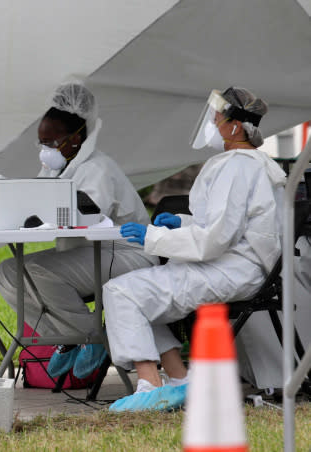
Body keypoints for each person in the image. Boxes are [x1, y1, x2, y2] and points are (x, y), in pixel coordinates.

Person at [106, 86, 284, 411]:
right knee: (142, 293)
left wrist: (152, 237)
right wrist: (182, 224)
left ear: (234, 127)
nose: (211, 125)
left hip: (229, 271)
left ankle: (150, 387)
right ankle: (178, 379)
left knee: (121, 292)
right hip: (236, 266)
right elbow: (224, 228)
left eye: (216, 119)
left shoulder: (237, 167)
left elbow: (215, 239)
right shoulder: (248, 164)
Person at [0, 83, 158, 381]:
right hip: (88, 255)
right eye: (41, 142)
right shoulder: (58, 168)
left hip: (127, 253)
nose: (45, 150)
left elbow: (84, 218)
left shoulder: (98, 169)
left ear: (76, 138)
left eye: (52, 142)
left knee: (40, 272)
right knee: (6, 272)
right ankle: (67, 337)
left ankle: (93, 338)